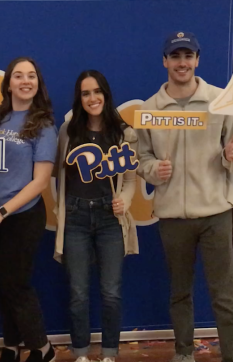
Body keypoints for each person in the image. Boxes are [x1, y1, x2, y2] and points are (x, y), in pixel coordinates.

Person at [137, 31, 233, 362]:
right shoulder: (149, 109)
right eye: (175, 56)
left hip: (217, 213)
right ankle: (183, 353)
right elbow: (142, 159)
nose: (182, 63)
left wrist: (228, 157)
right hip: (172, 218)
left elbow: (229, 153)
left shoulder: (222, 101)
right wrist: (152, 171)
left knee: (224, 295)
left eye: (188, 56)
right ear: (165, 61)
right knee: (180, 292)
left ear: (197, 60)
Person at [0, 57, 57, 362]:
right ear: (8, 83)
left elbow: (40, 182)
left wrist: (3, 212)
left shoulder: (44, 125)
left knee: (16, 284)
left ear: (37, 83)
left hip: (21, 216)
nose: (26, 81)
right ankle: (11, 345)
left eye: (31, 76)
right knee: (1, 284)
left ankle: (43, 348)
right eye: (19, 76)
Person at [53, 70, 139, 362]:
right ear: (79, 98)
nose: (92, 98)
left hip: (109, 219)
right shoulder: (68, 131)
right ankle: (80, 354)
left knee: (111, 292)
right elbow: (55, 174)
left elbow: (130, 180)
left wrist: (124, 202)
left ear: (106, 94)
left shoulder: (123, 132)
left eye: (97, 91)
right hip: (75, 216)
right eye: (86, 93)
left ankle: (109, 354)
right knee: (78, 293)